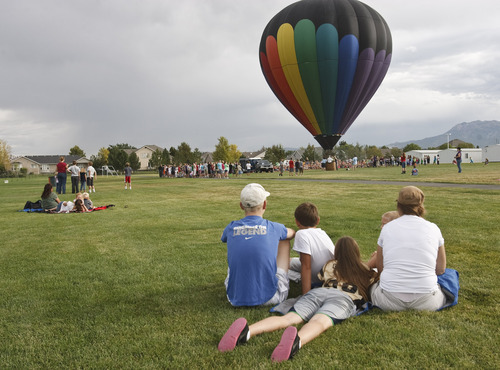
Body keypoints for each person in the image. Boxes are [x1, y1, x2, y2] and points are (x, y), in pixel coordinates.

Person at [218, 236, 378, 362]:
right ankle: (297, 342)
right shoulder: (365, 271)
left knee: (289, 318)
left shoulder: (330, 265)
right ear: (356, 252)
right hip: (343, 299)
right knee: (319, 322)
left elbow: (321, 277)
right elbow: (372, 278)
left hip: (319, 293)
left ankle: (247, 331)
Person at [370, 186, 447, 311]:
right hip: (427, 302)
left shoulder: (387, 228)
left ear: (398, 205)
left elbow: (380, 269)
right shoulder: (433, 228)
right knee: (450, 278)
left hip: (388, 300)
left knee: (371, 286)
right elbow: (440, 269)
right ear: (421, 205)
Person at [221, 183, 295, 307]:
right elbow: (291, 233)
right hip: (271, 296)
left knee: (238, 249)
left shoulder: (231, 227)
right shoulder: (274, 227)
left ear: (241, 206)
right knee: (284, 239)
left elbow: (223, 238)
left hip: (233, 298)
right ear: (265, 204)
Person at [289, 202, 335, 295]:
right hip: (330, 272)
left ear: (297, 222)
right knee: (286, 262)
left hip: (319, 277)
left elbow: (306, 266)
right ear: (318, 220)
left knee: (280, 267)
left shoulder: (301, 234)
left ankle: (299, 279)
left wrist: (306, 295)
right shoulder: (322, 233)